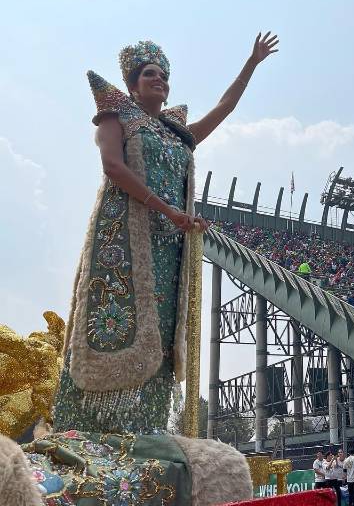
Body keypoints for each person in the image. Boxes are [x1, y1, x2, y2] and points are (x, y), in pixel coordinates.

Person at [17, 34, 279, 505]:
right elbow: (113, 168)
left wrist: (251, 63)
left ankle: (145, 432)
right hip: (125, 238)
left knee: (160, 335)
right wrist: (168, 211)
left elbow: (224, 107)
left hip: (169, 249)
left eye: (164, 74)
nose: (160, 79)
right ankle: (95, 434)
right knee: (119, 325)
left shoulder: (179, 134)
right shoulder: (117, 119)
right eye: (150, 74)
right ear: (134, 85)